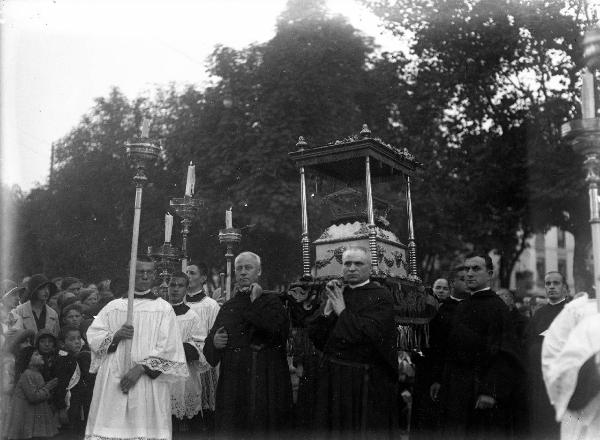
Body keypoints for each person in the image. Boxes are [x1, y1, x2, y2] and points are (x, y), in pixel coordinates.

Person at [85, 256, 188, 440]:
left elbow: (169, 347)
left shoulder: (163, 309)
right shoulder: (114, 307)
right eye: (140, 272)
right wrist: (114, 337)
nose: (145, 276)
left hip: (147, 381)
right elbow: (94, 335)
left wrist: (141, 368)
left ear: (155, 275)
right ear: (130, 274)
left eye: (149, 272)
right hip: (114, 381)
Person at [307, 246, 398, 438]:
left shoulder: (381, 296)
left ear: (370, 268)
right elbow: (317, 338)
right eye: (347, 263)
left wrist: (342, 312)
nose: (352, 268)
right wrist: (328, 310)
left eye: (358, 263)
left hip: (364, 380)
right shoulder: (338, 293)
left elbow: (371, 335)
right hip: (334, 378)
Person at [203, 251, 292, 438]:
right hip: (234, 382)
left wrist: (254, 302)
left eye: (248, 268)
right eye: (239, 268)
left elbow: (276, 332)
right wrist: (215, 343)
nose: (243, 272)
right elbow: (211, 348)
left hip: (264, 380)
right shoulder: (228, 306)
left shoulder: (272, 301)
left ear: (258, 271)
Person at [436, 253, 523, 439]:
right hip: (456, 390)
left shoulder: (497, 308)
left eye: (476, 269)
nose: (469, 273)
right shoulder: (463, 306)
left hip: (480, 391)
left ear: (490, 274)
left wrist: (490, 392)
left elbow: (505, 353)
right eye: (466, 269)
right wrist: (441, 380)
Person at [526, 271, 568, 440]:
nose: (551, 287)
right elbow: (528, 343)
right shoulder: (539, 314)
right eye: (548, 283)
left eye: (556, 283)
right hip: (540, 380)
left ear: (565, 288)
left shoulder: (571, 311)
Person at [167, 272, 204, 431]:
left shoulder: (192, 316)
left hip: (185, 378)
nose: (175, 289)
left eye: (180, 285)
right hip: (162, 377)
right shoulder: (160, 313)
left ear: (186, 289)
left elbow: (198, 347)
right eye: (172, 285)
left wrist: (171, 348)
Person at [185, 263, 220, 431]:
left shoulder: (211, 305)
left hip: (202, 364)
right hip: (182, 362)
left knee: (205, 412)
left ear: (203, 278)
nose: (188, 276)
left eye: (192, 273)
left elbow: (214, 336)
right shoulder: (177, 303)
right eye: (186, 273)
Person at [2, 349, 59, 440]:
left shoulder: (36, 373)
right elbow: (33, 397)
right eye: (36, 354)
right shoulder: (27, 374)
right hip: (26, 414)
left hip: (34, 413)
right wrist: (47, 388)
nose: (40, 356)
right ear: (28, 360)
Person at [54, 325, 93, 435]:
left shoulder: (77, 357)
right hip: (68, 403)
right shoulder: (62, 360)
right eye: (72, 339)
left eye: (78, 338)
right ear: (62, 344)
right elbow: (60, 386)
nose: (77, 342)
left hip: (79, 402)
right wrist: (61, 408)